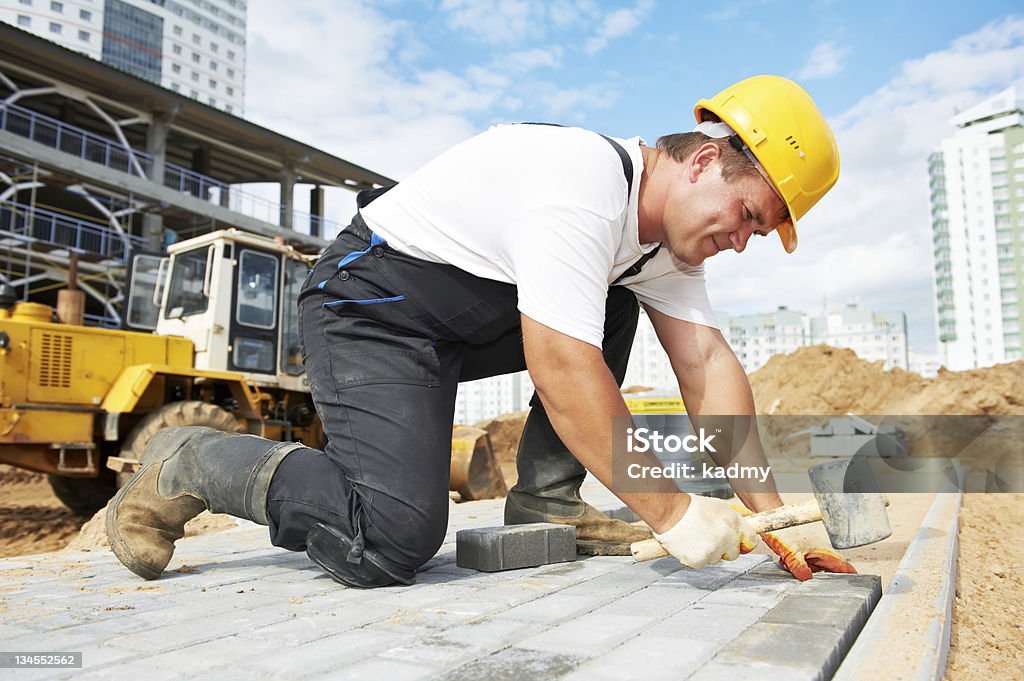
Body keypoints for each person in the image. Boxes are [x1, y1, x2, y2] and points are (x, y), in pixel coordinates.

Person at [107, 75, 840, 588]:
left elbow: (707, 363)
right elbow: (558, 364)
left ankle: (548, 501)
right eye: (749, 216)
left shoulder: (660, 248)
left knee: (612, 299)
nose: (743, 243)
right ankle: (191, 459)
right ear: (707, 160)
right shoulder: (581, 183)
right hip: (367, 306)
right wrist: (672, 511)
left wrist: (776, 519)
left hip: (455, 322)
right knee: (389, 539)